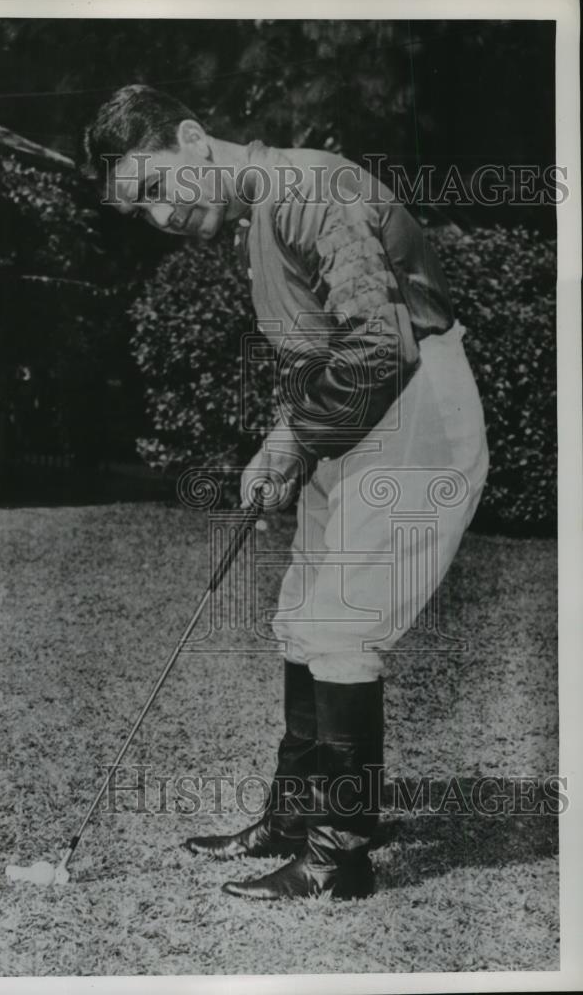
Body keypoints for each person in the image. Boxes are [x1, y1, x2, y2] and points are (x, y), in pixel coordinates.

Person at [84, 85, 489, 901]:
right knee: (302, 614)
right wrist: (288, 438)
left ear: (194, 138)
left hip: (418, 404)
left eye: (158, 187)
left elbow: (377, 348)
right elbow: (323, 352)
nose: (161, 218)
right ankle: (297, 817)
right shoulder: (253, 223)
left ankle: (340, 854)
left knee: (342, 621)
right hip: (356, 414)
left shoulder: (306, 189)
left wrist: (292, 437)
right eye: (141, 212)